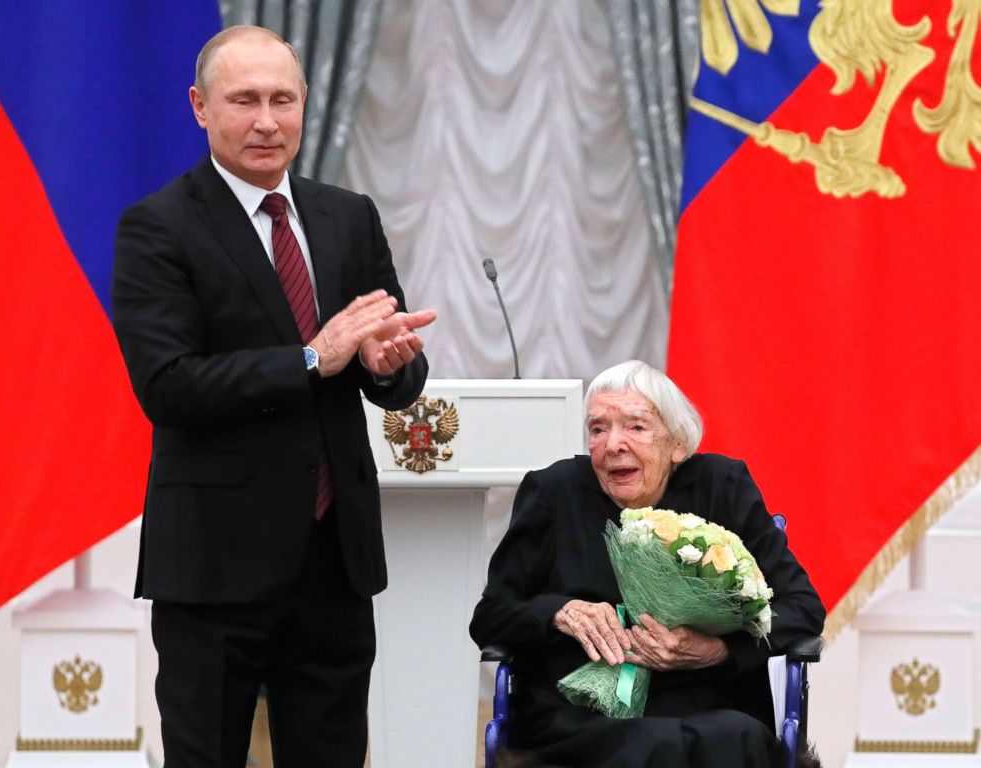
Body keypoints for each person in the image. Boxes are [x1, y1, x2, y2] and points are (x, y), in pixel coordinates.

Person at [111, 25, 435, 768]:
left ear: (306, 102)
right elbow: (169, 386)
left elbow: (394, 373)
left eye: (282, 99)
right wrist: (310, 359)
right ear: (199, 107)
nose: (266, 120)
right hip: (214, 566)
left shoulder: (347, 215)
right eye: (245, 100)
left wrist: (386, 364)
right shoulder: (158, 227)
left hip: (334, 562)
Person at [470, 360, 825, 768]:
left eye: (635, 427)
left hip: (709, 707)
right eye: (598, 428)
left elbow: (802, 608)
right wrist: (558, 613)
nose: (613, 444)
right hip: (583, 719)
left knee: (728, 738)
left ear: (677, 444)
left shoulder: (722, 488)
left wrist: (716, 649)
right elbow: (491, 616)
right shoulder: (554, 493)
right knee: (654, 746)